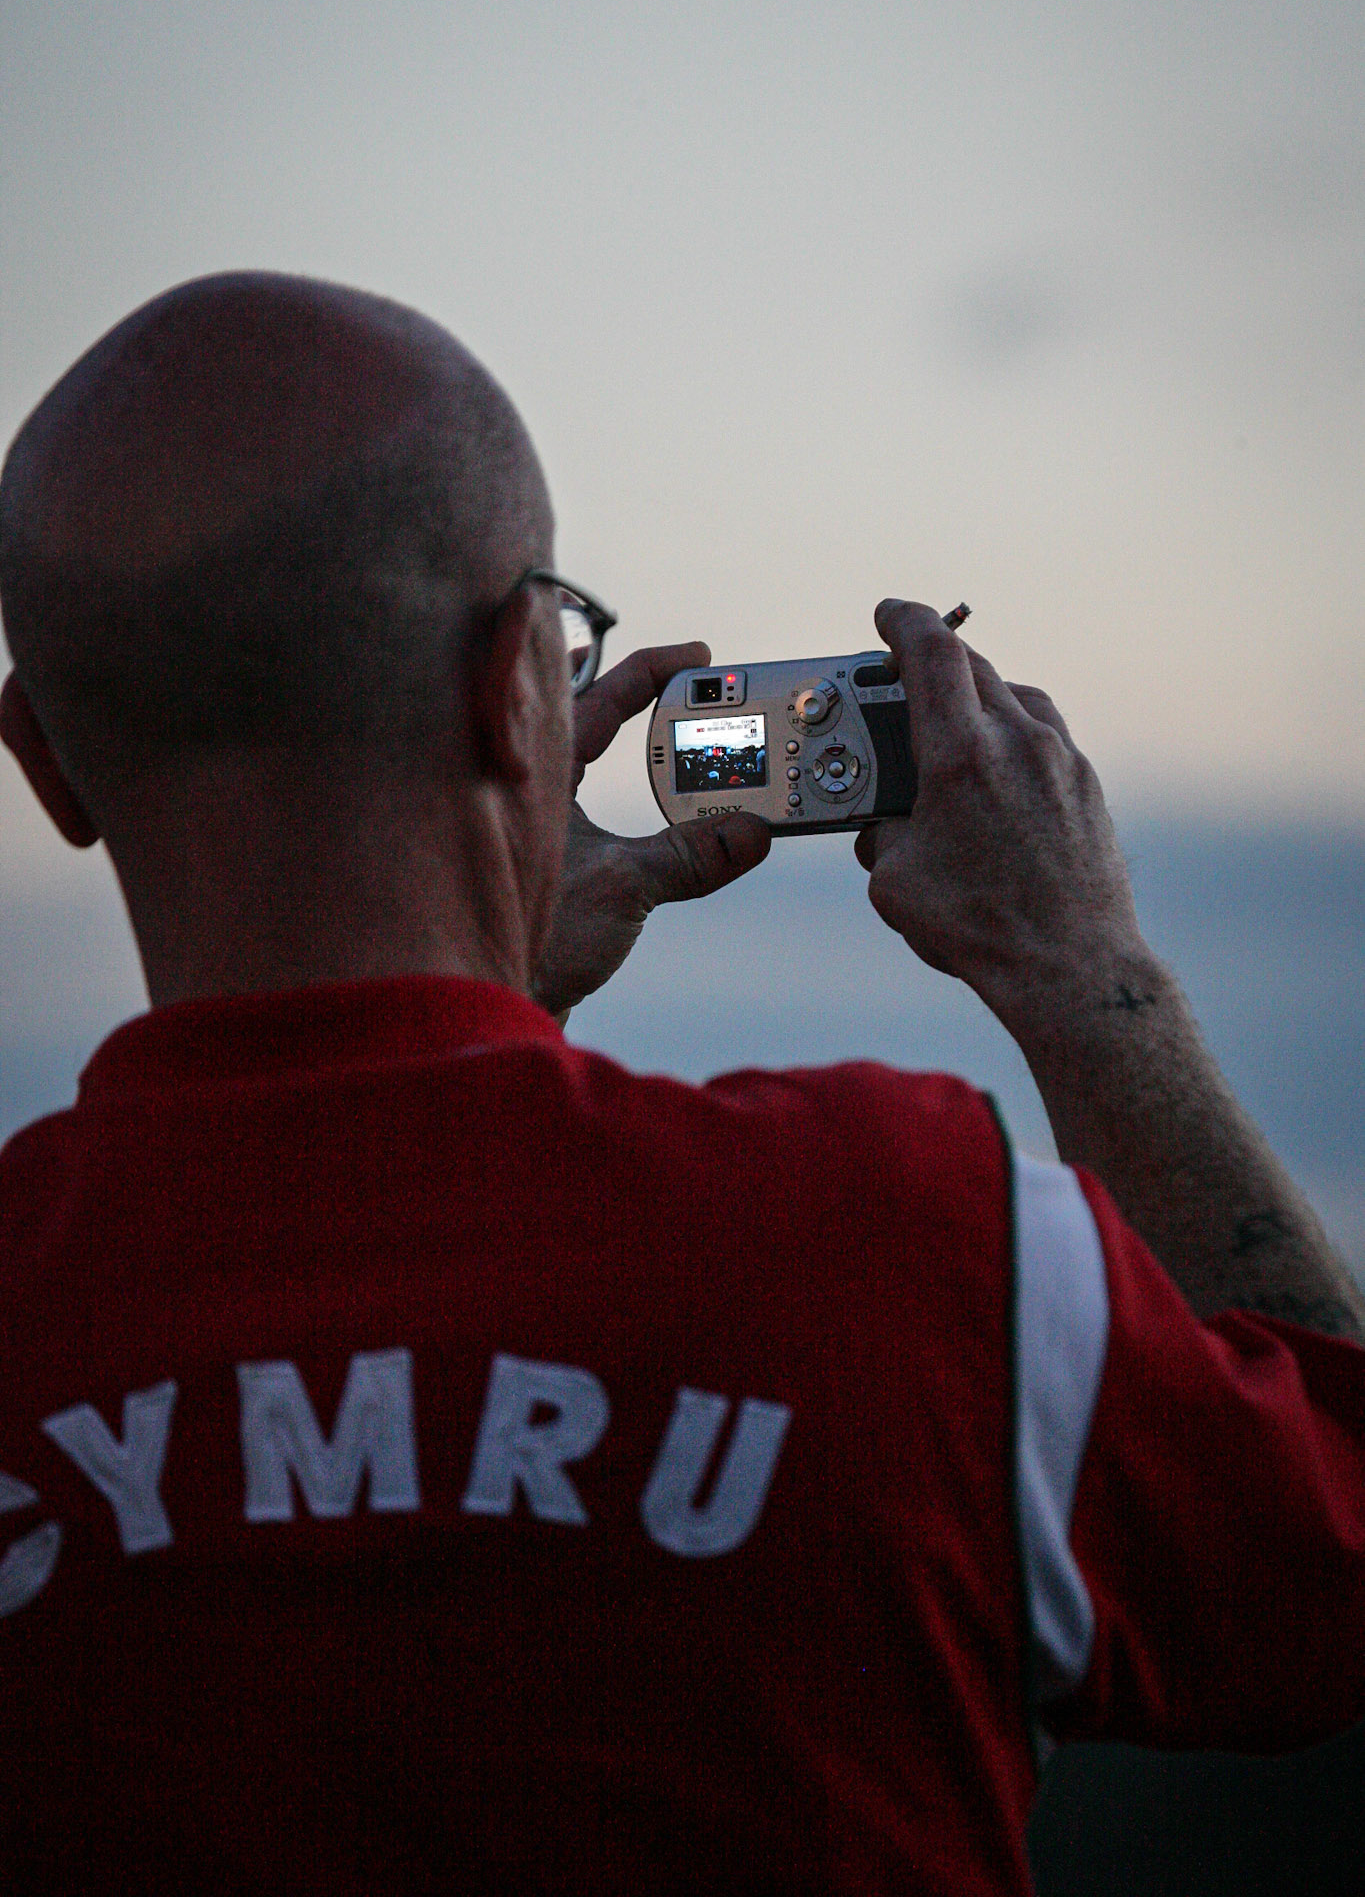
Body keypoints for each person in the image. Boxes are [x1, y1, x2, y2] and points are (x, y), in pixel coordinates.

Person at [0, 272, 1361, 1896]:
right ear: (516, 688)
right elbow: (1326, 1580)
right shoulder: (908, 1243)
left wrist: (483, 979)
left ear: (45, 763)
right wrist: (1085, 973)